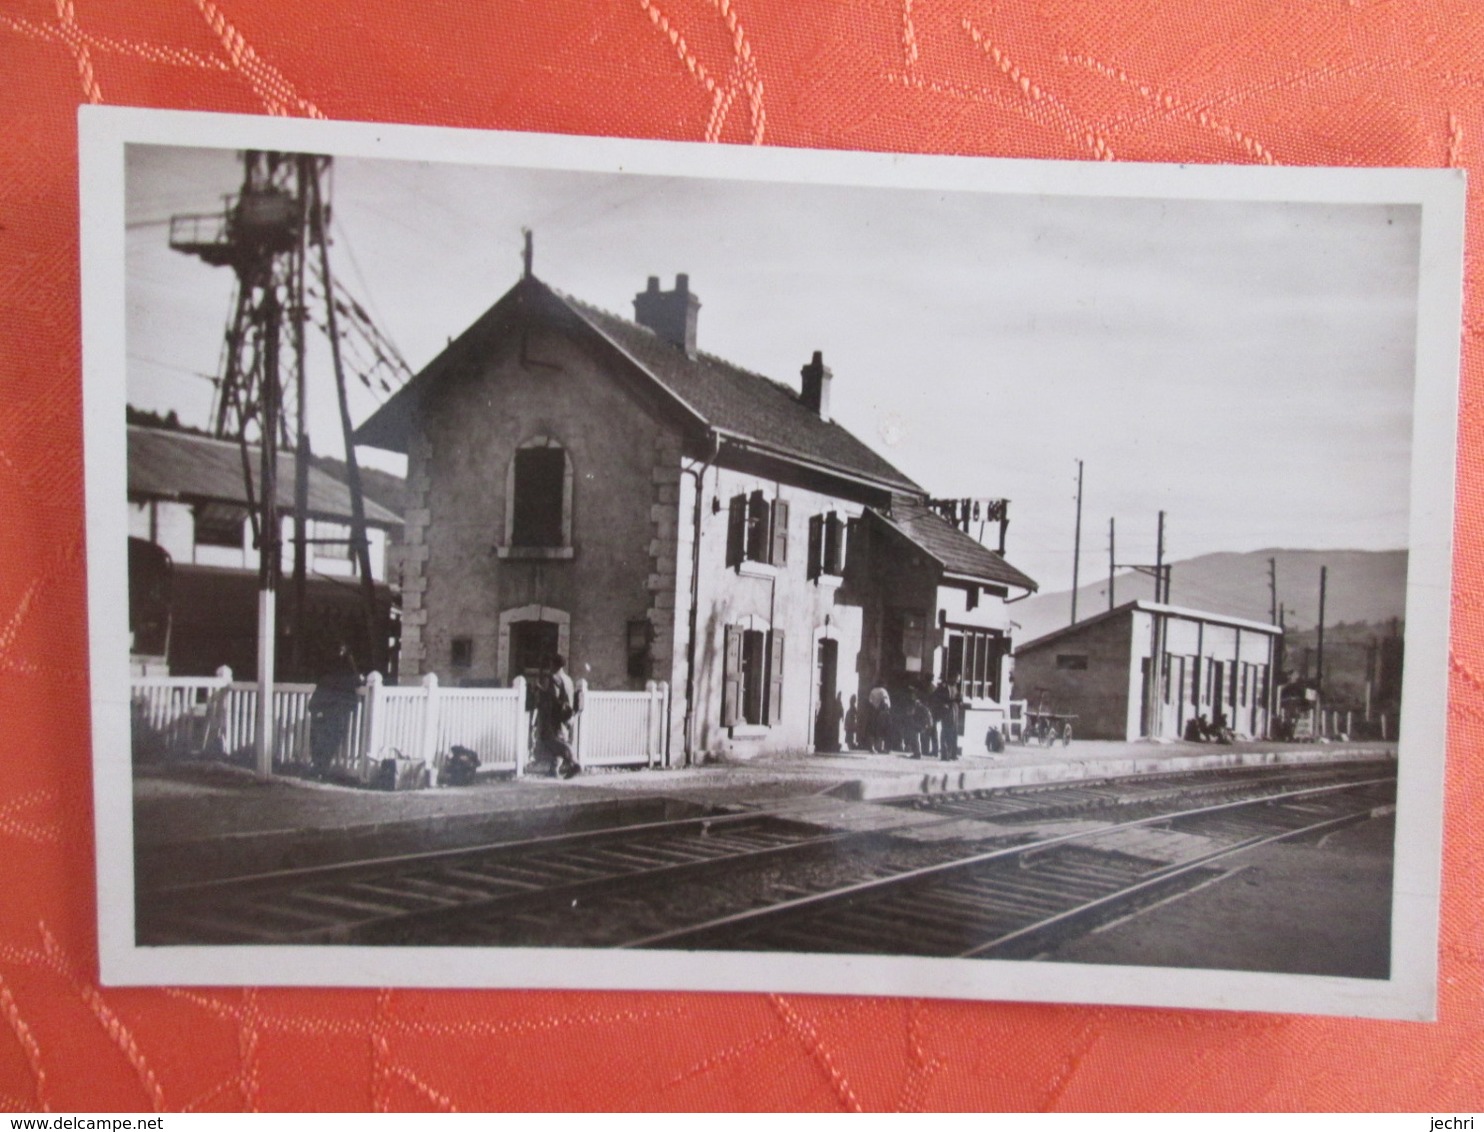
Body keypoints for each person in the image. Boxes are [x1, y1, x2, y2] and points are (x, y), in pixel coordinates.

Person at [308, 642, 360, 779]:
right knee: (325, 740)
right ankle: (320, 768)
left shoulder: (330, 675)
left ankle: (319, 768)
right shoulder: (336, 674)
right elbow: (356, 680)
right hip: (330, 712)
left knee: (324, 740)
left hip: (330, 711)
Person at [535, 653, 580, 779]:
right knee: (560, 740)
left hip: (556, 715)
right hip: (567, 714)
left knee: (551, 739)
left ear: (554, 664)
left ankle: (574, 763)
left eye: (551, 663)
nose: (549, 665)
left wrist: (541, 690)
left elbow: (554, 696)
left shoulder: (554, 678)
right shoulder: (568, 679)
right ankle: (554, 769)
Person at [931, 675, 960, 760]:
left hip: (954, 711)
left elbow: (956, 698)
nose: (957, 680)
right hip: (947, 713)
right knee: (945, 734)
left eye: (958, 679)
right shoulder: (943, 687)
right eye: (956, 678)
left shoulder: (955, 687)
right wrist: (942, 705)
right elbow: (935, 697)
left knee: (953, 734)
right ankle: (945, 754)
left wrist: (959, 700)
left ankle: (952, 754)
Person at [867, 680, 892, 753]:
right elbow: (885, 701)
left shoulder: (872, 691)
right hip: (882, 711)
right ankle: (880, 747)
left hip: (873, 711)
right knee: (882, 730)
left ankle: (872, 747)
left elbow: (870, 701)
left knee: (872, 729)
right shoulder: (883, 691)